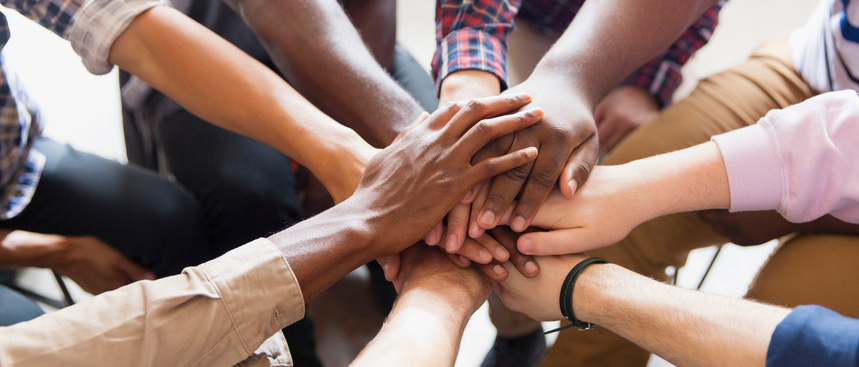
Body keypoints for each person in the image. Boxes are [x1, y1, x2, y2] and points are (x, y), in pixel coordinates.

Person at [0, 94, 543, 366]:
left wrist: (349, 164)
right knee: (27, 316)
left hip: (20, 164)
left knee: (178, 225)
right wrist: (380, 234)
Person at [488, 0, 859, 364]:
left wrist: (583, 289)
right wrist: (633, 186)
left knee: (780, 307)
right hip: (818, 72)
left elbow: (804, 347)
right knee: (598, 227)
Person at [430, 0, 722, 364]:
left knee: (594, 203)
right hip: (523, 19)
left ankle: (591, 339)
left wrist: (649, 86)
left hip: (650, 34)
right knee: (496, 182)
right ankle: (517, 333)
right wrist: (469, 73)